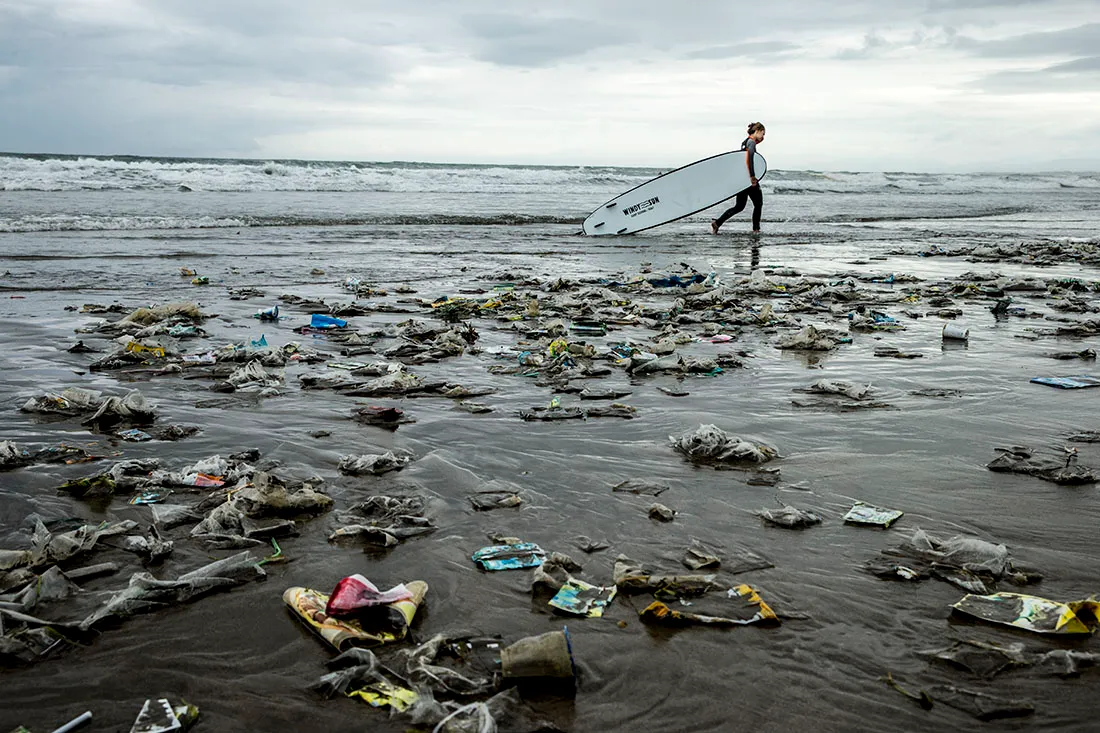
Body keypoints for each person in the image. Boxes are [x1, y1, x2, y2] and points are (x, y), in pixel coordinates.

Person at [711, 122, 765, 234]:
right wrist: (752, 177)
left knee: (739, 206)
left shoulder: (744, 142)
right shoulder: (751, 143)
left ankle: (717, 223)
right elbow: (749, 159)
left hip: (742, 180)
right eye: (762, 133)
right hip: (749, 180)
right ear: (757, 131)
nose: (763, 137)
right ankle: (756, 229)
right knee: (758, 204)